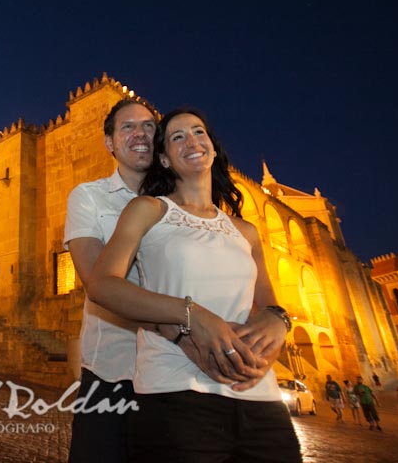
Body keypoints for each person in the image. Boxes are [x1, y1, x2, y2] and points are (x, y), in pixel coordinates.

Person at [89, 106, 300, 462]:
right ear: (165, 159)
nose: (192, 141)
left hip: (260, 402)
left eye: (199, 132)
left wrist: (277, 323)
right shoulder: (148, 210)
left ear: (213, 149)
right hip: (176, 396)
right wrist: (193, 315)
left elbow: (270, 307)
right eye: (177, 136)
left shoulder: (246, 231)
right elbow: (103, 285)